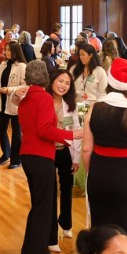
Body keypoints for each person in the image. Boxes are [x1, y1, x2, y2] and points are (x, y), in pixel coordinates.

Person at [82, 59, 127, 245]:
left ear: (109, 81)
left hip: (99, 173)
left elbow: (86, 149)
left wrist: (94, 171)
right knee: (124, 234)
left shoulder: (94, 108)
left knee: (100, 231)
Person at [18, 61, 80, 254]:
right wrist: (72, 135)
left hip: (27, 155)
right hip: (40, 156)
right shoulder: (43, 98)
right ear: (46, 77)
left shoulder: (25, 98)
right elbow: (44, 129)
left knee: (38, 207)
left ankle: (28, 250)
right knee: (44, 211)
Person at [48, 69, 83, 241]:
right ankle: (51, 227)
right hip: (46, 150)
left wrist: (76, 158)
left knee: (66, 188)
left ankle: (66, 223)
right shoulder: (44, 100)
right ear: (52, 80)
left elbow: (75, 131)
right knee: (50, 190)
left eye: (67, 83)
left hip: (64, 151)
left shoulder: (70, 106)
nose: (63, 85)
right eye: (60, 81)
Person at [0, 41, 27, 168]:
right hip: (2, 100)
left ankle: (16, 159)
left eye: (8, 50)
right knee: (1, 129)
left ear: (15, 52)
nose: (5, 52)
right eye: (5, 49)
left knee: (16, 132)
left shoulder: (22, 66)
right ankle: (6, 153)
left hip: (15, 102)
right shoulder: (3, 64)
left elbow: (25, 86)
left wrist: (9, 90)